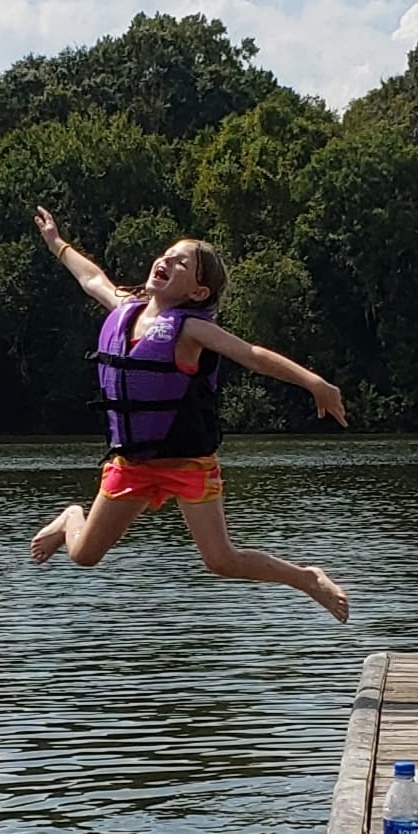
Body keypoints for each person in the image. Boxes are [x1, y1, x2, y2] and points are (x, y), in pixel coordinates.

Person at [29, 205, 350, 623]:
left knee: (220, 561)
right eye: (168, 255)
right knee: (85, 555)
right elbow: (91, 277)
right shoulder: (125, 307)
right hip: (132, 463)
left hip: (188, 465)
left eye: (183, 264)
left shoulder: (190, 329)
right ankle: (73, 515)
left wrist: (314, 382)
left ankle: (307, 578)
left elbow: (252, 355)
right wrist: (57, 243)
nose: (167, 261)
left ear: (198, 293)